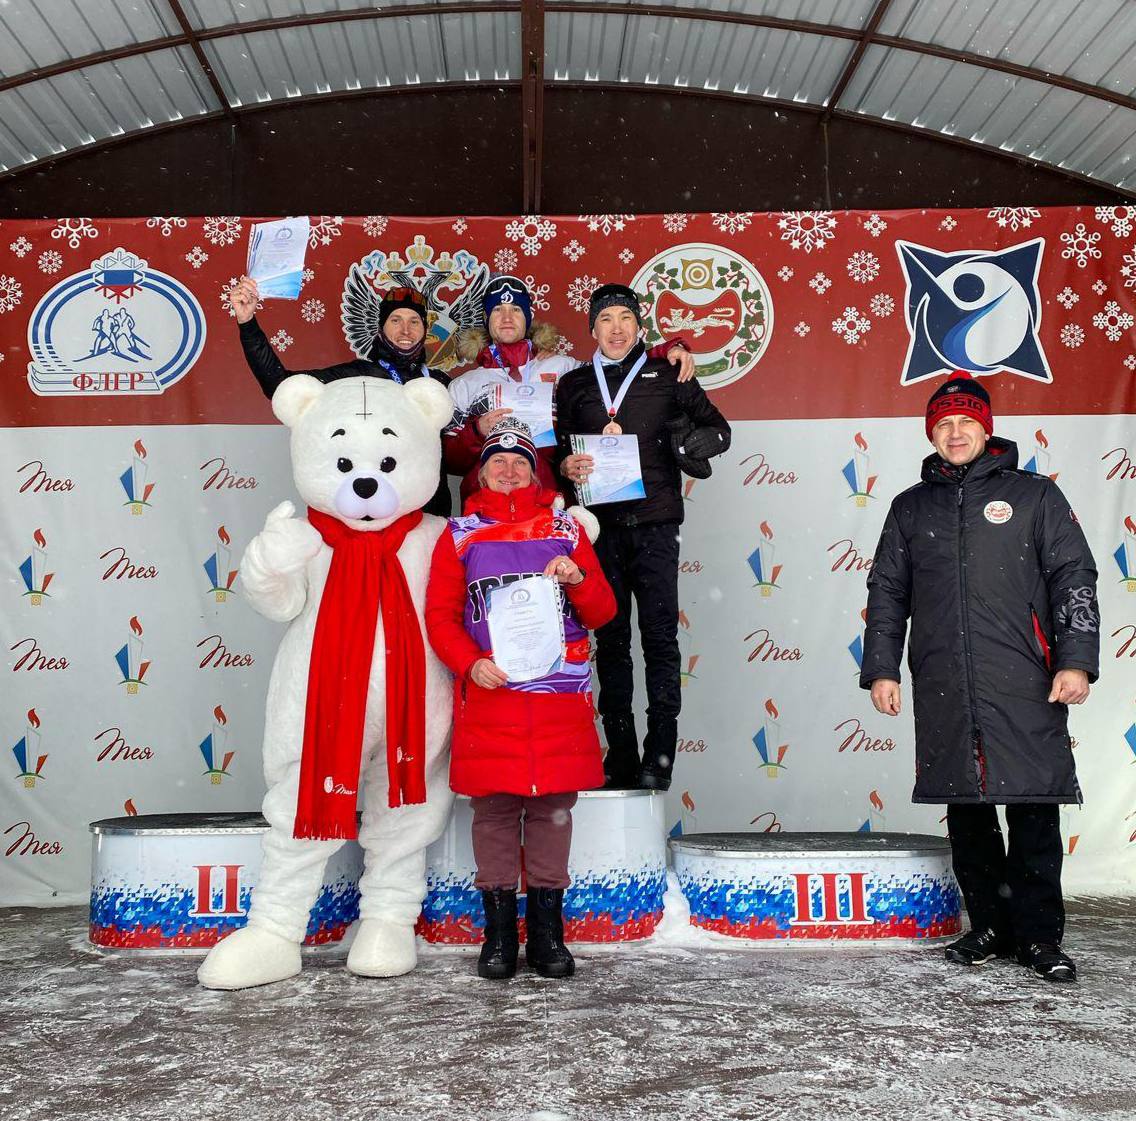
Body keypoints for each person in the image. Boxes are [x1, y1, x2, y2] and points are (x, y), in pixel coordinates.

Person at [862, 372, 1099, 983]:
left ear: (986, 429)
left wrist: (1075, 659)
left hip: (1024, 675)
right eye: (944, 424)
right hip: (944, 677)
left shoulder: (1034, 496)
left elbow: (1073, 575)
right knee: (967, 810)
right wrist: (882, 668)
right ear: (932, 435)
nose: (956, 432)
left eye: (967, 421)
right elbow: (887, 591)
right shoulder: (910, 507)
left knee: (1032, 806)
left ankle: (1040, 938)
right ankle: (990, 925)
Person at [425, 418, 615, 980]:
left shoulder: (565, 529)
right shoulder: (459, 534)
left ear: (537, 472)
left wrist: (578, 577)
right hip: (494, 692)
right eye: (497, 463)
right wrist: (470, 663)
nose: (509, 472)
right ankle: (500, 935)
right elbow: (440, 617)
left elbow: (602, 612)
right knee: (495, 812)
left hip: (558, 697)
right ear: (480, 472)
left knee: (554, 810)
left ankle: (549, 936)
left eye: (520, 463)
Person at [555, 283, 731, 792]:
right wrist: (566, 464)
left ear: (639, 326)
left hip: (655, 525)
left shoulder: (667, 371)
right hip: (598, 529)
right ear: (592, 330)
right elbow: (557, 457)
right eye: (605, 319)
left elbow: (719, 430)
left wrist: (678, 446)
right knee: (609, 641)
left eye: (624, 319)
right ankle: (622, 754)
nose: (615, 328)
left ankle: (660, 750)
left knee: (658, 638)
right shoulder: (574, 385)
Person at [446, 274, 697, 505]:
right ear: (486, 319)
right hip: (485, 509)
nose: (507, 318)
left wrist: (664, 352)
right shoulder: (466, 385)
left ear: (528, 319)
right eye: (498, 310)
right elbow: (449, 461)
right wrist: (477, 432)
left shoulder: (563, 367)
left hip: (550, 502)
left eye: (516, 310)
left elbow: (617, 367)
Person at [227, 276, 456, 515]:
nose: (406, 330)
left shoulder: (439, 382)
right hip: (373, 511)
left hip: (430, 515)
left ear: (425, 330)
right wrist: (247, 322)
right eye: (396, 320)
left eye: (414, 321)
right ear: (381, 328)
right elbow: (281, 385)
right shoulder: (357, 375)